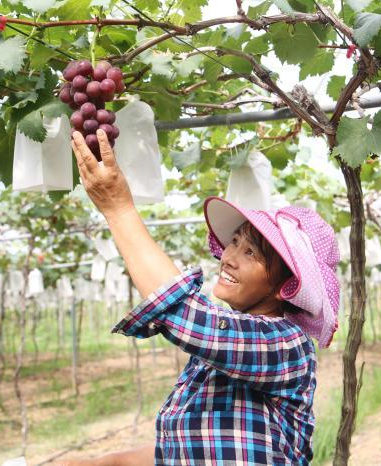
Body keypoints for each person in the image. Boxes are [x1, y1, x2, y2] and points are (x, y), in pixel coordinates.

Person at [56, 129, 341, 466]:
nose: (230, 257)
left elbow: (185, 315)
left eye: (251, 253)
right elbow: (192, 448)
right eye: (234, 242)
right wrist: (107, 462)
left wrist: (119, 209)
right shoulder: (216, 357)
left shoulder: (286, 345)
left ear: (284, 287)